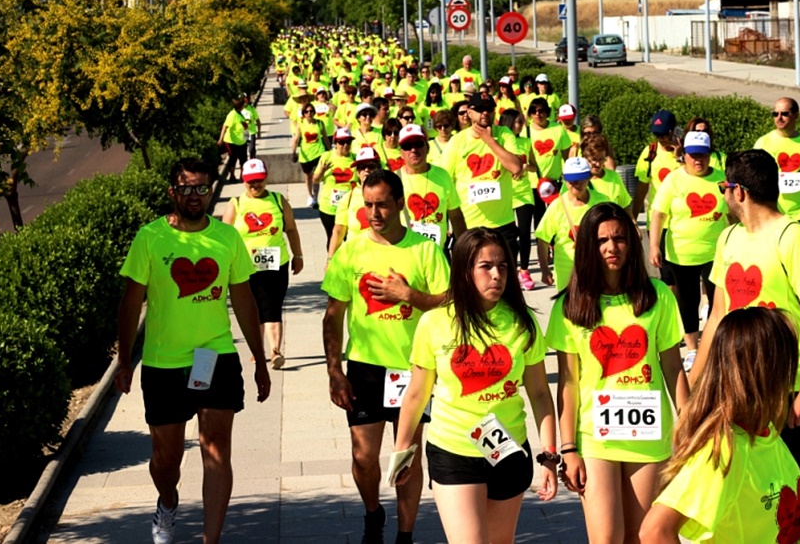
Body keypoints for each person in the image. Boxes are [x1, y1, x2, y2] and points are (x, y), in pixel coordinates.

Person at [115, 158, 271, 544]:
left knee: (216, 449)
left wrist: (260, 359)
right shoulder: (150, 238)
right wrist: (124, 361)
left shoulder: (227, 238)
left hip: (215, 356)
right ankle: (167, 501)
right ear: (173, 192)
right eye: (185, 188)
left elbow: (245, 300)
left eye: (201, 188)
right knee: (165, 460)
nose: (194, 195)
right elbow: (131, 303)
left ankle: (210, 539)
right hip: (163, 363)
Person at [690, 149, 800, 544]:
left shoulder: (792, 237)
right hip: (738, 384)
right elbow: (717, 314)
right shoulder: (729, 238)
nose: (723, 195)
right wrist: (696, 380)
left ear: (738, 191)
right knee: (751, 481)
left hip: (788, 390)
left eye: (724, 188)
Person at [390, 228, 558, 544]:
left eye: (503, 266)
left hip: (508, 450)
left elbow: (539, 393)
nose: (497, 275)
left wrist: (549, 456)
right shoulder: (435, 323)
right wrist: (402, 451)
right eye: (486, 267)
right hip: (453, 450)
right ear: (465, 270)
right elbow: (416, 394)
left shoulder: (523, 322)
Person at [322, 169, 452, 544]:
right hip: (365, 367)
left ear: (400, 204)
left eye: (381, 205)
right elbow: (333, 314)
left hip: (415, 370)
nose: (374, 213)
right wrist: (334, 369)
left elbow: (449, 300)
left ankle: (405, 535)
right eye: (367, 206)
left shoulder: (424, 249)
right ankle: (373, 513)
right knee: (364, 458)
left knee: (407, 460)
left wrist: (410, 296)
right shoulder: (351, 251)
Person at [547, 203, 688, 544]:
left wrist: (691, 424)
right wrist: (568, 449)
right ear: (588, 248)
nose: (612, 248)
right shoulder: (569, 306)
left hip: (650, 436)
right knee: (607, 538)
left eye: (620, 238)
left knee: (643, 537)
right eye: (602, 241)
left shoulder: (659, 298)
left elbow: (672, 367)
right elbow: (566, 383)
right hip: (596, 439)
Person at [640, 308, 800, 544]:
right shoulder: (724, 451)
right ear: (767, 371)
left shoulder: (766, 432)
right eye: (788, 362)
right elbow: (654, 531)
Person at [649, 131, 728, 372]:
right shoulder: (673, 180)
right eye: (693, 155)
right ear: (684, 155)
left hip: (717, 252)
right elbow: (658, 213)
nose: (698, 160)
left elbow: (734, 211)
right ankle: (693, 348)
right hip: (682, 253)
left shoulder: (721, 179)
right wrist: (654, 244)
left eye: (703, 155)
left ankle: (717, 346)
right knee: (688, 300)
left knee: (719, 301)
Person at [221, 158, 303, 369]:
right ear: (243, 180)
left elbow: (291, 229)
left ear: (266, 178)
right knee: (254, 308)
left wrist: (298, 255)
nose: (255, 185)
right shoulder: (236, 204)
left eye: (259, 180)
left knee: (272, 307)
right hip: (246, 267)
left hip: (276, 264)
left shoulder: (278, 200)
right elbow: (224, 238)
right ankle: (257, 350)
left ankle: (275, 351)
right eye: (250, 181)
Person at [440, 93, 524, 256]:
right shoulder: (457, 141)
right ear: (469, 113)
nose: (485, 112)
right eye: (480, 109)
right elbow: (445, 183)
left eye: (489, 109)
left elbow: (516, 167)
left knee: (507, 278)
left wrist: (489, 140)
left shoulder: (504, 133)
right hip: (470, 225)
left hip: (503, 224)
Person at [754, 97, 800, 235]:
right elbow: (754, 178)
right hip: (773, 214)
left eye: (784, 114)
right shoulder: (763, 143)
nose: (779, 118)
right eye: (775, 114)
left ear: (796, 115)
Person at [535, 157, 609, 292]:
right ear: (564, 178)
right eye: (571, 180)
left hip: (597, 269)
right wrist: (545, 269)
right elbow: (542, 239)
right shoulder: (557, 206)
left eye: (580, 179)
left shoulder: (602, 201)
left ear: (589, 177)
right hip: (567, 274)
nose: (576, 184)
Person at [634, 110, 682, 291]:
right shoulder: (650, 152)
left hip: (681, 221)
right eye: (657, 134)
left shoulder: (687, 152)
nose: (661, 138)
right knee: (667, 274)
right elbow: (642, 187)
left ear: (674, 130)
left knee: (681, 272)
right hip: (659, 222)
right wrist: (632, 216)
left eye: (665, 133)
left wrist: (679, 156)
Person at [399, 123, 466, 249]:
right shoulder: (394, 180)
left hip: (438, 255)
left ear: (427, 148)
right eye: (407, 146)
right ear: (401, 152)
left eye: (418, 144)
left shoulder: (442, 176)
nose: (414, 150)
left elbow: (455, 215)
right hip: (406, 255)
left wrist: (465, 249)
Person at [499, 109, 537, 292]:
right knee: (508, 236)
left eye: (522, 122)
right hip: (506, 194)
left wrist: (524, 167)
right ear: (508, 122)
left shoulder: (526, 142)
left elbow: (534, 166)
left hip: (524, 193)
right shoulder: (501, 142)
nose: (521, 125)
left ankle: (525, 270)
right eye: (517, 122)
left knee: (524, 233)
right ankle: (510, 270)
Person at [328, 147, 383, 259]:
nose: (366, 170)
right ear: (358, 172)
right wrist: (330, 259)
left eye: (371, 166)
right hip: (354, 257)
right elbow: (338, 231)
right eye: (362, 167)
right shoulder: (348, 198)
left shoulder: (388, 196)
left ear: (379, 169)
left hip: (381, 256)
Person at [526, 98, 572, 230]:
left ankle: (555, 247)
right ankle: (543, 249)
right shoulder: (526, 131)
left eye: (541, 111)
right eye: (533, 111)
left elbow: (567, 156)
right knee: (540, 221)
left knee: (558, 217)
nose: (537, 114)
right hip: (535, 183)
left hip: (555, 182)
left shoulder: (558, 129)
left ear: (547, 112)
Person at [313, 127, 357, 248]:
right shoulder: (327, 157)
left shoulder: (355, 158)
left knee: (350, 241)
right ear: (335, 143)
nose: (345, 145)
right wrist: (322, 171)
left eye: (348, 142)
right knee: (333, 238)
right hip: (329, 208)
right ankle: (332, 263)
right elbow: (315, 180)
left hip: (349, 208)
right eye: (341, 142)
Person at [292, 102, 328, 207]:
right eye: (306, 112)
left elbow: (325, 138)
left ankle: (316, 198)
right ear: (303, 113)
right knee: (308, 176)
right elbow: (296, 139)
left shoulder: (320, 123)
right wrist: (293, 152)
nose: (309, 113)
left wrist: (330, 151)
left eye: (311, 111)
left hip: (319, 152)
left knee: (317, 176)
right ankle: (310, 195)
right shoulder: (301, 124)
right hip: (306, 154)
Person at [218, 96, 249, 183]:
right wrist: (221, 139)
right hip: (232, 142)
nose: (245, 105)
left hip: (242, 141)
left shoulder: (241, 114)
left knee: (244, 159)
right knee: (233, 159)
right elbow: (225, 126)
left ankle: (243, 175)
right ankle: (232, 176)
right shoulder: (232, 115)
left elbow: (245, 127)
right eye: (244, 104)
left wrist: (247, 139)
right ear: (240, 105)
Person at [241, 92, 261, 158]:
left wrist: (259, 131)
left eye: (246, 100)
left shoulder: (251, 109)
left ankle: (253, 158)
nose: (245, 102)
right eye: (244, 100)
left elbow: (257, 120)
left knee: (251, 148)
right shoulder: (239, 110)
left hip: (252, 131)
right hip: (244, 132)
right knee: (244, 150)